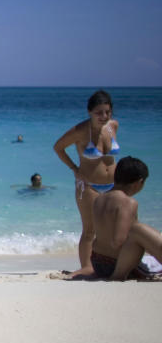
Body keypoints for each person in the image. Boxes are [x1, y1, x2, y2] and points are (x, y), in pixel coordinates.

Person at [54, 89, 120, 277]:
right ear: (89, 112)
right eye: (99, 112)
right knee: (90, 229)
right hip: (89, 185)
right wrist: (74, 169)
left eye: (107, 112)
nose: (104, 116)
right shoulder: (80, 131)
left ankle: (107, 263)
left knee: (112, 228)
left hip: (113, 185)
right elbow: (58, 148)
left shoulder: (113, 126)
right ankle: (86, 267)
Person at [90, 156, 161, 280]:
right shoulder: (127, 202)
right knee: (138, 229)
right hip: (116, 265)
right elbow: (118, 242)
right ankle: (119, 276)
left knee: (138, 231)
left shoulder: (99, 199)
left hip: (97, 262)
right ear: (139, 182)